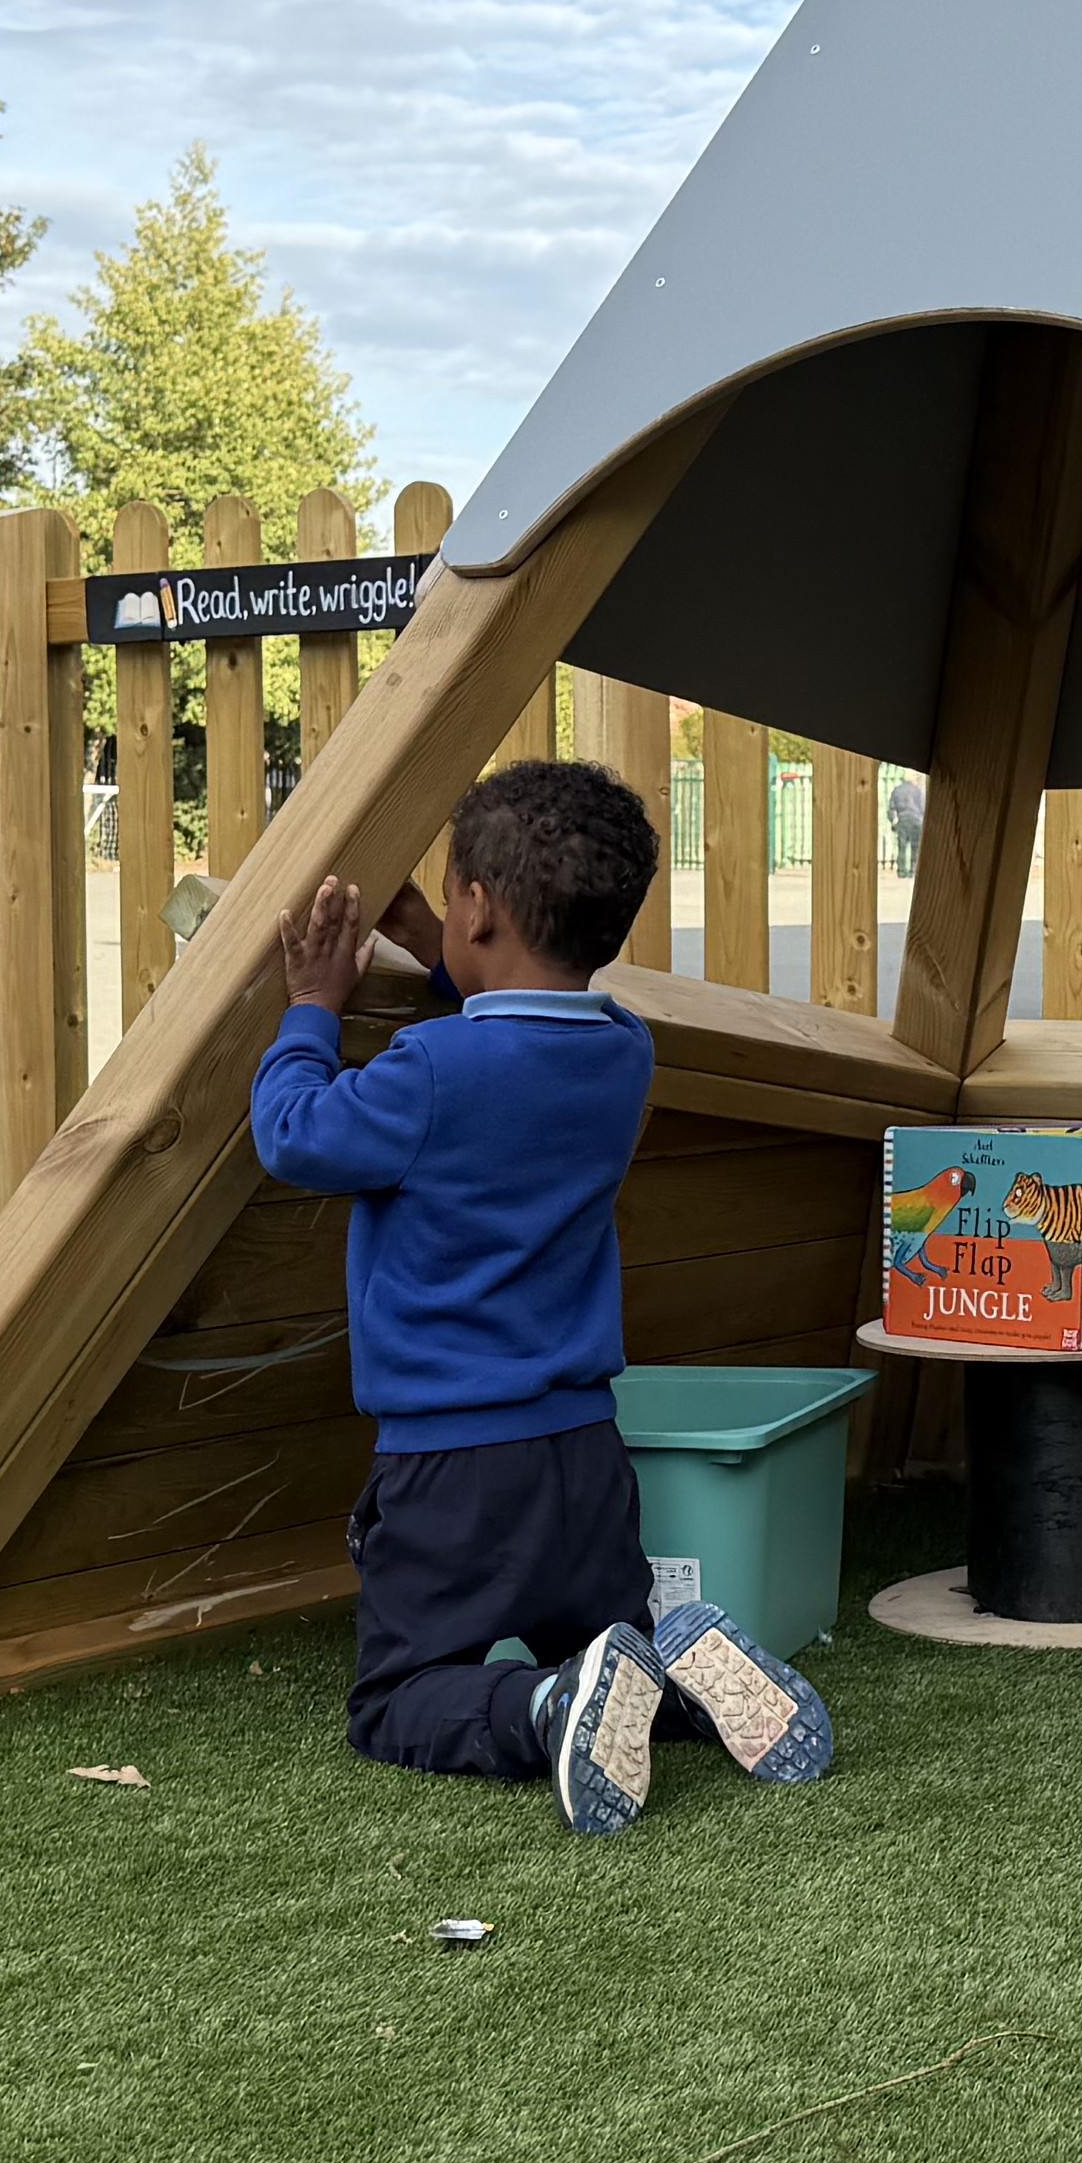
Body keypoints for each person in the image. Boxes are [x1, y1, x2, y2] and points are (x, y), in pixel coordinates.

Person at [254, 758, 834, 1833]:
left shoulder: (424, 1071)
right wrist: (438, 939)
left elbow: (294, 1134)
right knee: (603, 1644)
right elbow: (518, 1022)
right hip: (582, 1455)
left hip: (453, 1466)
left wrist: (310, 1009)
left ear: (479, 909)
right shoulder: (623, 1052)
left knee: (397, 1697)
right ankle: (672, 1674)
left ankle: (545, 1706)